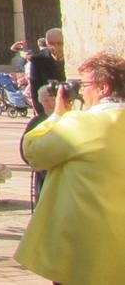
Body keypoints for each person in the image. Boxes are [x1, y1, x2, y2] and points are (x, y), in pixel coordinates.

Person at [15, 52, 125, 285]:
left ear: (103, 88)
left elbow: (32, 151)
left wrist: (56, 115)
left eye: (83, 85)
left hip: (85, 248)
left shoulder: (80, 123)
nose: (81, 92)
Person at [26, 27, 65, 117]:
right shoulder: (38, 60)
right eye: (51, 44)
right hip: (49, 108)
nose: (56, 47)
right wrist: (42, 115)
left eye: (60, 43)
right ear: (46, 44)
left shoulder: (73, 58)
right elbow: (35, 89)